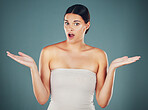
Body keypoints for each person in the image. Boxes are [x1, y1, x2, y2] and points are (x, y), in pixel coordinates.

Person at [6, 4, 141, 110]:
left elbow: (103, 102)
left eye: (76, 23)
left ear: (87, 25)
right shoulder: (48, 52)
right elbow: (42, 99)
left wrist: (112, 69)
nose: (70, 28)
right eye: (67, 23)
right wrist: (33, 68)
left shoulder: (99, 55)